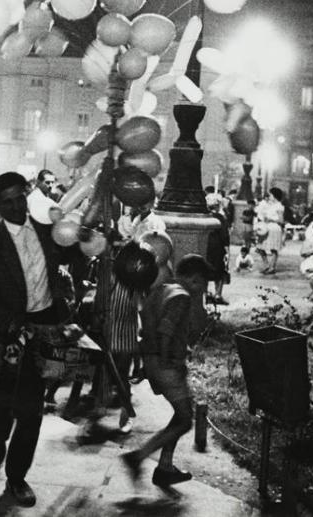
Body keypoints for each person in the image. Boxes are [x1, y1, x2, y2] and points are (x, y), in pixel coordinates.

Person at [0, 172, 73, 508]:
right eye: (8, 201)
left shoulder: (48, 233)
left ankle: (16, 478)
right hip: (6, 335)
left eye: (20, 198)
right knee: (0, 404)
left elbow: (74, 258)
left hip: (44, 328)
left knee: (31, 410)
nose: (16, 206)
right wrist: (12, 323)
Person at [121, 254, 212, 490]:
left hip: (152, 360)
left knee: (181, 415)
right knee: (184, 421)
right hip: (166, 363)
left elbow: (146, 326)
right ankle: (139, 457)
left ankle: (165, 468)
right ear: (194, 278)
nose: (202, 289)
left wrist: (146, 365)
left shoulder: (161, 289)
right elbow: (166, 330)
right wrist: (167, 361)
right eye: (202, 283)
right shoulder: (181, 297)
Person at [205, 193, 230, 305]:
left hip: (206, 244)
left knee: (205, 268)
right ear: (218, 205)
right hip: (218, 246)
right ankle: (218, 294)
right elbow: (225, 235)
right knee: (220, 270)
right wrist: (227, 251)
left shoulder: (204, 216)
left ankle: (205, 293)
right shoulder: (221, 218)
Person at [256, 187, 285, 275]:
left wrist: (270, 219)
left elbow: (281, 220)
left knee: (273, 249)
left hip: (275, 228)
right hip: (266, 228)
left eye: (271, 195)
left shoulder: (279, 206)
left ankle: (272, 267)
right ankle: (267, 265)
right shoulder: (270, 205)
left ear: (275, 195)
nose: (269, 196)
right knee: (260, 248)